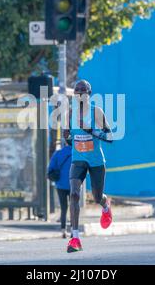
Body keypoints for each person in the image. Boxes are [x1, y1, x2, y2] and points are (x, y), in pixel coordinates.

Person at [63, 79, 114, 253]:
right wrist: (68, 137)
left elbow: (110, 136)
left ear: (89, 94)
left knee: (97, 196)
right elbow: (68, 138)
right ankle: (75, 238)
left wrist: (91, 131)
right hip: (78, 160)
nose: (80, 95)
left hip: (96, 162)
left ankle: (105, 204)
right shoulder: (69, 114)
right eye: (77, 92)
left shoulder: (96, 112)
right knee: (74, 193)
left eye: (83, 91)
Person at [48, 138, 72, 238]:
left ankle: (63, 230)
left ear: (66, 142)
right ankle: (73, 230)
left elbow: (50, 169)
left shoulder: (58, 153)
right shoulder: (78, 153)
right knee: (74, 208)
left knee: (63, 208)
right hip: (74, 184)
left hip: (60, 184)